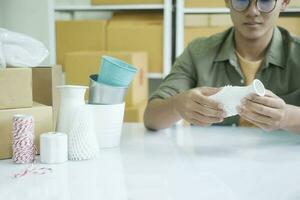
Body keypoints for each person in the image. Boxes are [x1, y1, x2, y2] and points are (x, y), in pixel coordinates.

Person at [144, 0, 300, 132]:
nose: (252, 11)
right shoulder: (198, 53)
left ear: (284, 2)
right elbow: (151, 118)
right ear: (227, 1)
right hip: (212, 164)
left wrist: (287, 116)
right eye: (241, 0)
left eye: (265, 1)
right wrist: (176, 105)